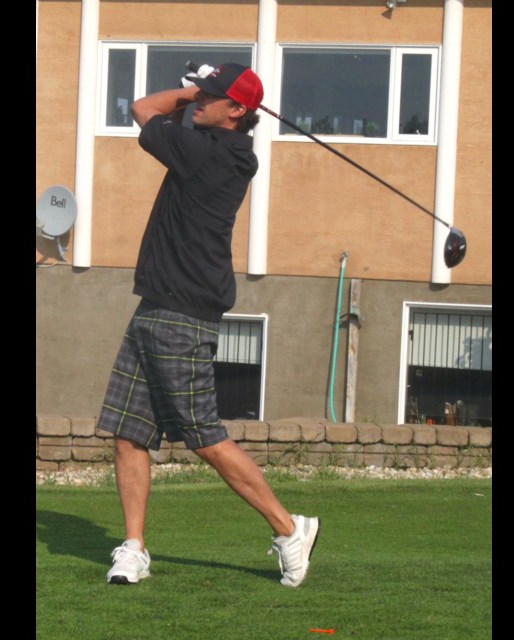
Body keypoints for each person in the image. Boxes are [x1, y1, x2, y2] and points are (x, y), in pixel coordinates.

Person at [95, 63, 321, 588]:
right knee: (129, 434)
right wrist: (207, 92)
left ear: (237, 111)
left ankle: (290, 528)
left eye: (211, 97)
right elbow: (168, 114)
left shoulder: (212, 152)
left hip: (184, 314)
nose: (199, 102)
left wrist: (190, 89)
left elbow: (142, 108)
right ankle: (133, 548)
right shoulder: (212, 144)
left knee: (204, 437)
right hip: (155, 305)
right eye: (201, 94)